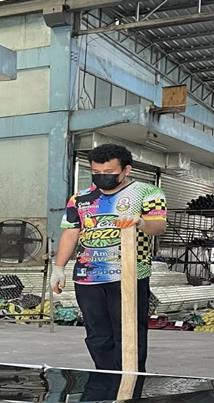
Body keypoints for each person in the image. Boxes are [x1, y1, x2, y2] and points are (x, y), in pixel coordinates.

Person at [51, 143, 168, 380]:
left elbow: (159, 226)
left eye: (109, 172)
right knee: (97, 335)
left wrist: (141, 222)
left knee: (129, 333)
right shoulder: (80, 198)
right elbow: (71, 232)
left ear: (126, 170)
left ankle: (130, 382)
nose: (102, 177)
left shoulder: (148, 192)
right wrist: (58, 267)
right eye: (96, 172)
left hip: (130, 275)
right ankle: (105, 379)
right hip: (88, 276)